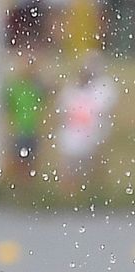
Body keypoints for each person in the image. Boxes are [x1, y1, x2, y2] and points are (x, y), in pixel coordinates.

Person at [55, 53, 116, 196]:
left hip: (92, 139)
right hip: (71, 140)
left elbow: (104, 110)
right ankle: (69, 198)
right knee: (69, 171)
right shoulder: (71, 91)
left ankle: (93, 196)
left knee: (93, 170)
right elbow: (62, 112)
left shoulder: (101, 89)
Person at [3, 55, 47, 182]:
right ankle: (16, 185)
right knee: (16, 160)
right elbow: (8, 108)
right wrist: (9, 126)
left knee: (31, 163)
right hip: (19, 129)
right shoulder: (15, 87)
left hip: (32, 129)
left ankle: (27, 188)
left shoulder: (36, 87)